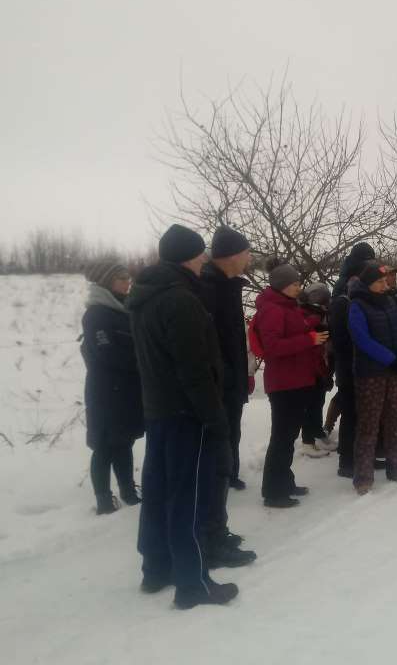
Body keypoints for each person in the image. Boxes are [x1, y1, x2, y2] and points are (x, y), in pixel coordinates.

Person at [127, 224, 238, 609]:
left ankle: (156, 568)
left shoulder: (145, 295)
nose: (204, 258)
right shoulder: (181, 300)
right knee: (186, 498)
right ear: (189, 257)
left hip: (159, 410)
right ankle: (193, 583)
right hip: (187, 414)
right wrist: (214, 417)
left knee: (158, 493)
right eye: (200, 253)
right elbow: (194, 369)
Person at [199, 227, 257, 569]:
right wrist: (226, 381)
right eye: (247, 252)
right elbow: (210, 348)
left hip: (229, 387)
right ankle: (211, 540)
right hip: (217, 392)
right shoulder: (209, 289)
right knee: (214, 465)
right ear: (233, 255)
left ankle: (217, 532)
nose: (250, 257)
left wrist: (241, 376)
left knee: (223, 460)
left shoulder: (227, 286)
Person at [254, 261, 328, 508]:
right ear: (281, 285)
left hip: (296, 380)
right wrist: (309, 339)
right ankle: (273, 491)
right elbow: (273, 347)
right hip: (284, 383)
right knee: (282, 437)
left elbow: (294, 330)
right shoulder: (273, 309)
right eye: (294, 284)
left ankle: (284, 482)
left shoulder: (288, 306)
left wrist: (312, 324)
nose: (299, 288)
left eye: (299, 283)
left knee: (288, 436)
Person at [348, 261, 397, 495]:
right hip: (371, 374)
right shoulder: (357, 305)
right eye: (379, 281)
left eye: (384, 280)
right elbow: (362, 339)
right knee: (369, 425)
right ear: (368, 283)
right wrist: (390, 359)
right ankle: (363, 478)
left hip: (395, 371)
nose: (384, 284)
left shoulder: (389, 301)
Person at [81, 260, 144, 515]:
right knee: (104, 446)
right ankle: (104, 500)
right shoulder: (96, 314)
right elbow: (107, 353)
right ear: (107, 282)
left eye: (128, 277)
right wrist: (143, 362)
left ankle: (128, 491)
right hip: (105, 391)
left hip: (126, 390)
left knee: (124, 441)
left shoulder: (122, 309)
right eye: (121, 278)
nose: (128, 282)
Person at [328, 242, 376, 478]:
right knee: (351, 411)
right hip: (349, 362)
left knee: (362, 412)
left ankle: (361, 456)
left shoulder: (357, 287)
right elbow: (341, 335)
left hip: (363, 361)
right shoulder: (343, 295)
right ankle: (347, 461)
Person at [298, 282, 336, 456]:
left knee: (318, 401)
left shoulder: (323, 314)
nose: (325, 304)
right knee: (310, 403)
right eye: (322, 300)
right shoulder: (306, 314)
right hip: (310, 365)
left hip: (322, 363)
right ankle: (308, 440)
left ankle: (317, 432)